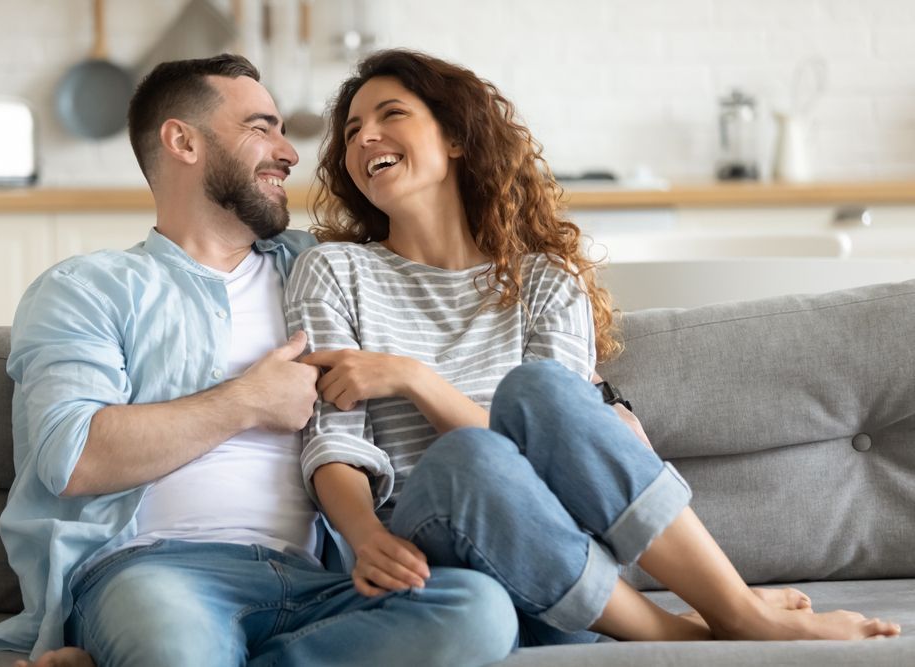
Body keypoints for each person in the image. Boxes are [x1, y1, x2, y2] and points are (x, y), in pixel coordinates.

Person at [283, 48, 902, 646]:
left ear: (455, 137)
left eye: (391, 114)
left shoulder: (547, 280)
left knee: (545, 391)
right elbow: (333, 437)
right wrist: (363, 535)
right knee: (467, 459)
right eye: (353, 129)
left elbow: (550, 442)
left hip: (561, 557)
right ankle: (696, 628)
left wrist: (417, 379)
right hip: (432, 553)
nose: (364, 138)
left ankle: (733, 607)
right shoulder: (334, 272)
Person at [0, 54, 519, 667]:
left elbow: (470, 318)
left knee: (477, 610)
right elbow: (73, 457)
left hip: (319, 581)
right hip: (155, 573)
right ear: (183, 140)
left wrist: (604, 400)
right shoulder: (89, 288)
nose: (290, 154)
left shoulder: (326, 270)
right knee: (176, 647)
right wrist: (246, 402)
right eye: (261, 127)